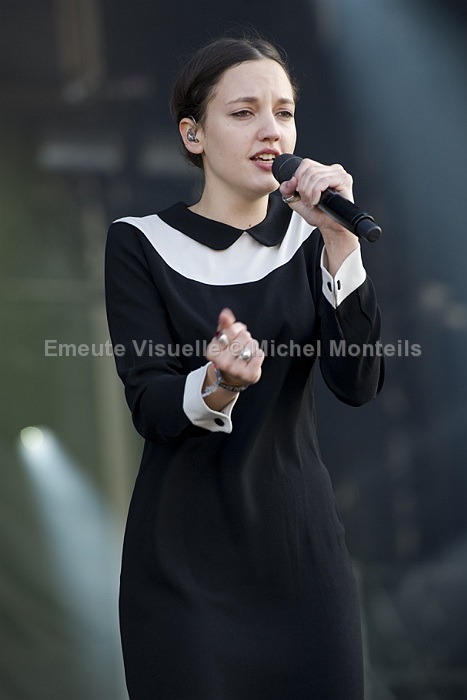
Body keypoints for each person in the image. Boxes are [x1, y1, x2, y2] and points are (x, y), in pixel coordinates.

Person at [105, 33, 383, 700]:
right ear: (192, 134)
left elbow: (357, 384)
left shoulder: (313, 237)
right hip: (184, 567)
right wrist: (216, 384)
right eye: (243, 112)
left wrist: (339, 240)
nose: (271, 130)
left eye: (283, 112)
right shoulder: (140, 243)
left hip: (302, 560)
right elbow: (149, 404)